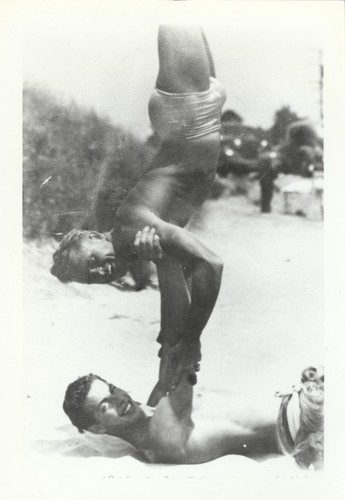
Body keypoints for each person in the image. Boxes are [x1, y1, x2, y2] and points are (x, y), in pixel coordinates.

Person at [51, 25, 227, 403]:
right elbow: (172, 320)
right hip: (203, 112)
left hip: (187, 111)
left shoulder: (132, 231)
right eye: (93, 279)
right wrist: (172, 358)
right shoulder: (141, 247)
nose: (101, 273)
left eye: (92, 263)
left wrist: (192, 341)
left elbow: (211, 265)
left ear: (96, 238)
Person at [63, 365, 324, 468]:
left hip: (303, 404)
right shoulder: (159, 434)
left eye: (111, 389)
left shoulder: (156, 410)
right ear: (97, 428)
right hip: (306, 421)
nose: (118, 399)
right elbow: (182, 350)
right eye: (104, 405)